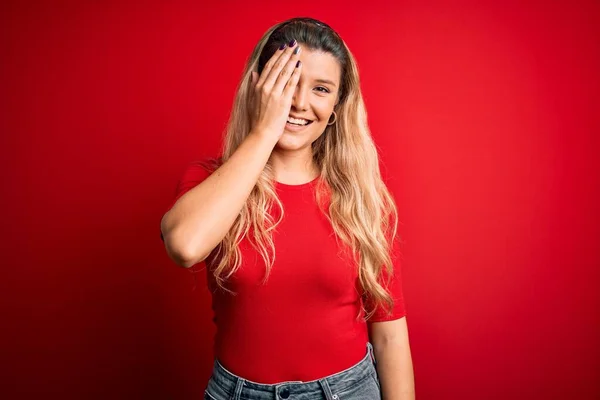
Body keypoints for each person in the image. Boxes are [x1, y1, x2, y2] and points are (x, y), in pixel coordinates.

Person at [160, 17, 415, 400]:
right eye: (287, 83)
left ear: (335, 107)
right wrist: (264, 130)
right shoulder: (209, 181)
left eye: (321, 89)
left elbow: (391, 335)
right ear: (258, 88)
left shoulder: (361, 196)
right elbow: (184, 245)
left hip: (348, 391)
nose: (298, 102)